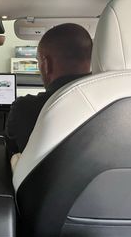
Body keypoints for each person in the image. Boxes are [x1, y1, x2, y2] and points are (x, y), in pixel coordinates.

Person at [6, 23, 92, 152]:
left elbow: (12, 151)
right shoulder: (113, 103)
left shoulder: (25, 108)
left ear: (46, 64)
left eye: (38, 61)